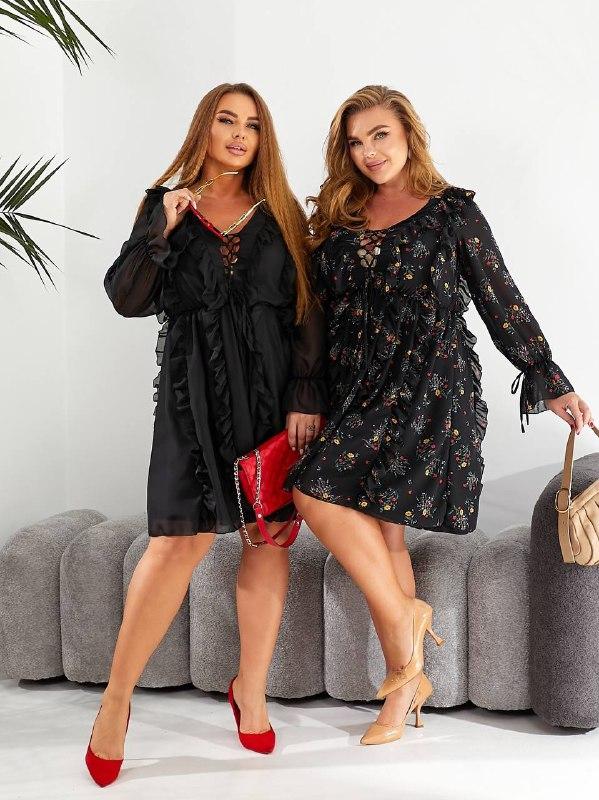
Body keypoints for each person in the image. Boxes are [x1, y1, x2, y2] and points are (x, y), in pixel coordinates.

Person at [284, 84, 594, 746]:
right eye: (355, 142)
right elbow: (313, 315)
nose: (369, 152)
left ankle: (401, 678)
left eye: (380, 135)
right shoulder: (337, 220)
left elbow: (498, 296)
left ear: (408, 135)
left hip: (430, 387)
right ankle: (408, 660)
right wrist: (306, 394)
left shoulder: (452, 212)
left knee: (343, 508)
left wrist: (548, 378)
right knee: (341, 508)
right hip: (356, 389)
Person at [86, 83, 327, 786]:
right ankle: (116, 699)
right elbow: (126, 298)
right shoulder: (164, 204)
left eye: (252, 124)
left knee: (268, 539)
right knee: (175, 545)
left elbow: (308, 311)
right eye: (227, 120)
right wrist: (160, 229)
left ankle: (250, 688)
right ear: (205, 127)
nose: (239, 134)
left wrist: (305, 395)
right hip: (190, 404)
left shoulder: (281, 214)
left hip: (271, 404)